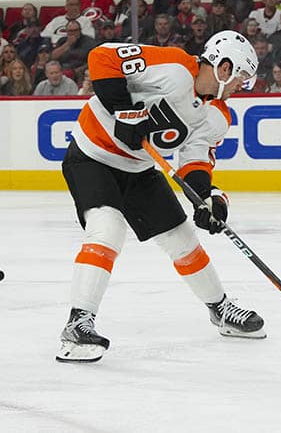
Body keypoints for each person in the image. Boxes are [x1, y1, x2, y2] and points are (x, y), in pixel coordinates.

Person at [56, 30, 263, 363]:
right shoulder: (175, 66)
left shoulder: (218, 116)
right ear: (224, 67)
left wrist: (208, 197)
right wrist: (123, 111)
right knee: (107, 228)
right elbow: (102, 58)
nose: (243, 85)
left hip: (139, 169)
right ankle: (78, 323)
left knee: (183, 240)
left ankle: (220, 309)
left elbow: (195, 160)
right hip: (92, 156)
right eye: (242, 77)